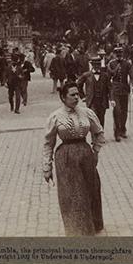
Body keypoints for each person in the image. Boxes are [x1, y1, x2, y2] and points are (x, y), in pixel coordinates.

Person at [43, 82, 106, 236]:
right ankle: (76, 229)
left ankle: (94, 224)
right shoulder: (55, 117)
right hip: (65, 157)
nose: (77, 97)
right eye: (72, 95)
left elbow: (99, 132)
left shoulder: (87, 113)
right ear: (63, 97)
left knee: (91, 189)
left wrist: (95, 151)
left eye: (78, 94)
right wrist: (47, 167)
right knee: (72, 194)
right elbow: (48, 143)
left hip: (85, 154)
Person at [107, 47, 133, 142]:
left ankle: (123, 130)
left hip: (125, 89)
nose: (119, 55)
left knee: (124, 111)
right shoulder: (111, 63)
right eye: (117, 54)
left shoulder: (127, 63)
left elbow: (132, 75)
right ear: (115, 54)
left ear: (123, 54)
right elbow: (108, 77)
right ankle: (116, 132)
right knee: (117, 110)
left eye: (120, 53)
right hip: (115, 89)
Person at [77, 58, 111, 127]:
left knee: (101, 119)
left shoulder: (105, 75)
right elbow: (78, 85)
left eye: (98, 65)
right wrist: (83, 96)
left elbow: (110, 87)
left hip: (102, 101)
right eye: (95, 65)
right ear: (92, 65)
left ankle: (100, 135)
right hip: (92, 101)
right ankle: (94, 136)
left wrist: (111, 98)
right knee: (93, 118)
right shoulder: (87, 75)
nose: (97, 67)